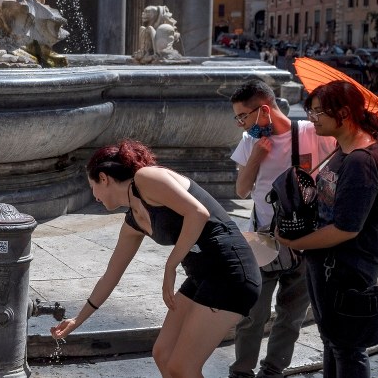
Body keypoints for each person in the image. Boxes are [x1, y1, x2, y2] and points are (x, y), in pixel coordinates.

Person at [50, 140, 261, 378]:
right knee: (163, 353)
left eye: (92, 187)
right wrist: (78, 320)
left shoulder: (146, 178)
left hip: (230, 272)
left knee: (182, 367)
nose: (95, 196)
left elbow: (198, 213)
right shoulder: (133, 223)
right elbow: (111, 276)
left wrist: (170, 266)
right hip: (203, 275)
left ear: (104, 178)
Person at [281, 81, 378, 378]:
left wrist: (296, 242)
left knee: (347, 346)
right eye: (311, 111)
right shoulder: (344, 150)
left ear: (344, 113)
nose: (312, 118)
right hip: (328, 263)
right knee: (333, 341)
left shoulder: (362, 161)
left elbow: (347, 228)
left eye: (318, 112)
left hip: (347, 266)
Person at [229, 81, 337, 378]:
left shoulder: (309, 133)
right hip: (263, 240)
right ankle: (241, 372)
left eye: (243, 116)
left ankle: (272, 371)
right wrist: (255, 158)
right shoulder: (250, 141)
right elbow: (240, 190)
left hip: (305, 240)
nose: (242, 123)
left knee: (291, 315)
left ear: (263, 110)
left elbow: (340, 160)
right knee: (252, 314)